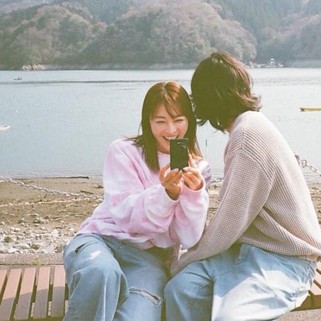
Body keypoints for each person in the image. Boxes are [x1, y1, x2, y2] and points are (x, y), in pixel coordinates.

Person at [164, 52, 321, 321]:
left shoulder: (247, 136)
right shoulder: (248, 125)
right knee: (181, 290)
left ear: (208, 99)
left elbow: (229, 222)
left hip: (286, 258)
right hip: (245, 251)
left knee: (230, 317)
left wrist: (183, 261)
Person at [63, 81, 211, 321]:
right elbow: (127, 218)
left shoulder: (199, 169)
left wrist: (191, 195)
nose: (171, 130)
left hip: (149, 259)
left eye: (178, 120)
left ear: (190, 121)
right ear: (148, 122)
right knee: (102, 273)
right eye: (160, 121)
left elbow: (189, 237)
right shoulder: (123, 151)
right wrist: (165, 195)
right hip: (101, 240)